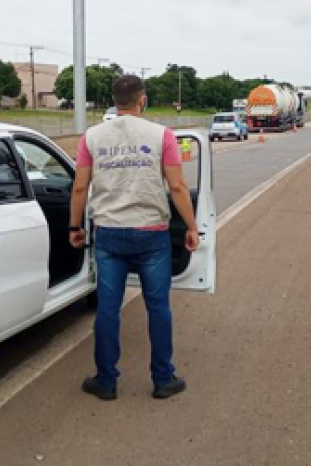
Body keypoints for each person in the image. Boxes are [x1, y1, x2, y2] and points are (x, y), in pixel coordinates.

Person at [69, 75, 199, 401]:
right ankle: (163, 378)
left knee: (108, 310)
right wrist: (193, 226)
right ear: (142, 99)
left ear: (115, 101)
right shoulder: (162, 136)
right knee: (158, 308)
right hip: (151, 233)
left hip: (110, 234)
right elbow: (178, 187)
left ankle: (106, 380)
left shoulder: (91, 138)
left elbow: (80, 188)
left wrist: (75, 227)